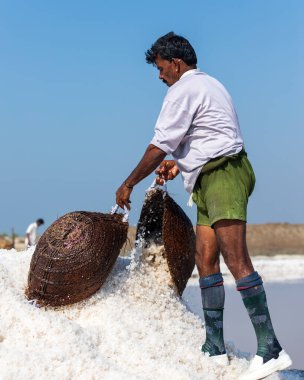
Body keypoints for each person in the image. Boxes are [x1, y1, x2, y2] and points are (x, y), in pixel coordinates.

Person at [115, 32, 292, 379]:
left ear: (176, 64)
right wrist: (182, 164)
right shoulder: (211, 85)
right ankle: (214, 347)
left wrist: (128, 182)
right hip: (212, 175)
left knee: (234, 257)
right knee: (205, 258)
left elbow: (159, 145)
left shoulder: (183, 89)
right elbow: (213, 135)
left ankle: (270, 349)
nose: (160, 76)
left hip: (223, 175)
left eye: (162, 68)